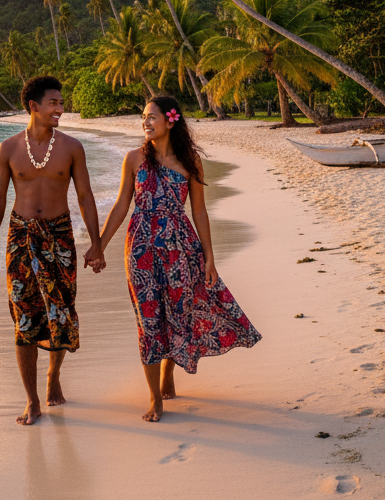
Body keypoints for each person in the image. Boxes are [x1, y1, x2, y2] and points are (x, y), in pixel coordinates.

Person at [85, 96, 261, 422]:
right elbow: (122, 205)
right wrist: (99, 245)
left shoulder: (189, 162)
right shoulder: (134, 159)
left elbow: (199, 211)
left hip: (180, 248)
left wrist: (210, 258)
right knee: (148, 320)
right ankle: (155, 398)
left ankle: (169, 371)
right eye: (143, 117)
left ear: (170, 121)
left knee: (177, 315)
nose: (145, 123)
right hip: (139, 249)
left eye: (151, 117)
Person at [0, 75, 106, 426]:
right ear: (33, 106)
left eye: (61, 102)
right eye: (53, 102)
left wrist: (95, 244)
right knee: (24, 318)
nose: (60, 108)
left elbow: (84, 196)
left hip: (60, 236)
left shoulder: (71, 147)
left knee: (60, 313)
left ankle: (53, 376)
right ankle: (32, 400)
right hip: (20, 236)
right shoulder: (8, 149)